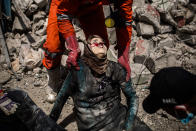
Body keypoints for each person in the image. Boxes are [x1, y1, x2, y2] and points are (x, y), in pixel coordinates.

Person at [43, 0, 133, 102]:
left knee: (100, 46)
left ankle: (94, 85)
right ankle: (54, 81)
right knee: (53, 47)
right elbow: (63, 15)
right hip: (62, 5)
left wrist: (124, 58)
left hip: (92, 7)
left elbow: (124, 20)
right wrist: (73, 48)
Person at [49, 35, 138, 131]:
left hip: (120, 118)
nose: (101, 44)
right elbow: (61, 99)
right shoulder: (78, 70)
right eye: (96, 42)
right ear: (88, 48)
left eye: (103, 43)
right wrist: (48, 124)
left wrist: (128, 126)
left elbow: (132, 97)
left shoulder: (116, 68)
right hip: (93, 126)